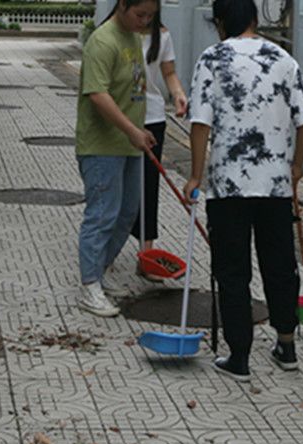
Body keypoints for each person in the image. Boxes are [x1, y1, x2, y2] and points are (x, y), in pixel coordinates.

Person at [184, 0, 303, 381]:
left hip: (228, 185)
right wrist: (296, 166)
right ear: (256, 19)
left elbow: (200, 123)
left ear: (220, 22)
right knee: (279, 265)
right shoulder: (283, 58)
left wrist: (196, 176)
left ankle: (239, 356)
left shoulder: (213, 58)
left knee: (232, 269)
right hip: (274, 185)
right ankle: (286, 345)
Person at [76, 0, 158, 317]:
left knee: (126, 214)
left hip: (129, 144)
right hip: (101, 146)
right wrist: (130, 130)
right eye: (140, 14)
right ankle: (90, 286)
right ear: (122, 5)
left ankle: (102, 271)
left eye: (151, 16)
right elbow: (97, 95)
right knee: (102, 214)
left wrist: (141, 130)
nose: (145, 21)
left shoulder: (134, 38)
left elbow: (135, 90)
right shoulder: (103, 41)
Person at [130, 13, 187, 280]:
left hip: (152, 118)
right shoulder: (113, 32)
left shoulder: (162, 35)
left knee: (148, 187)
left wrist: (178, 94)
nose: (144, 15)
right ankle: (103, 257)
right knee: (116, 188)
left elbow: (169, 72)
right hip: (121, 119)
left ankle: (146, 257)